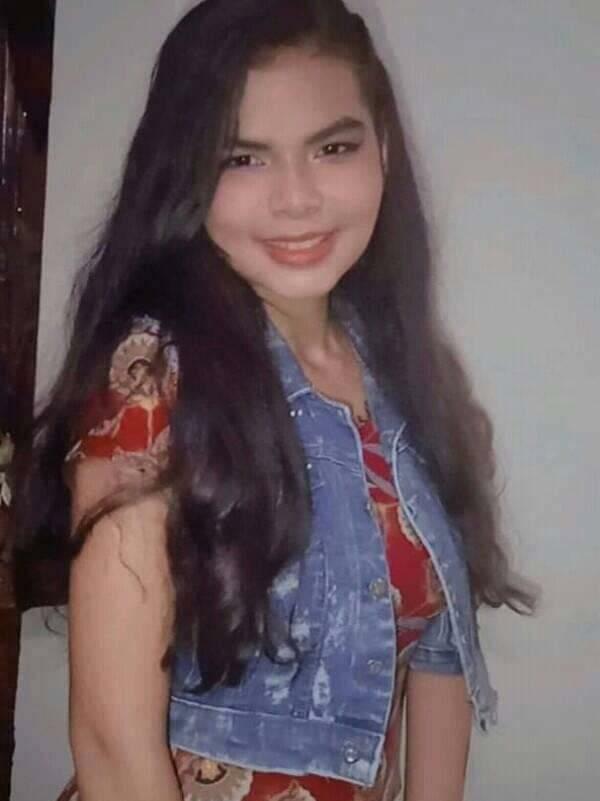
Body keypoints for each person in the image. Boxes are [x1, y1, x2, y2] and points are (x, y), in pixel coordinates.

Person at [22, 1, 535, 799]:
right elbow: (114, 747)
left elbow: (438, 652)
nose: (297, 199)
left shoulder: (402, 371)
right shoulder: (150, 379)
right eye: (243, 158)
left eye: (333, 147)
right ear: (187, 175)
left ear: (383, 149)